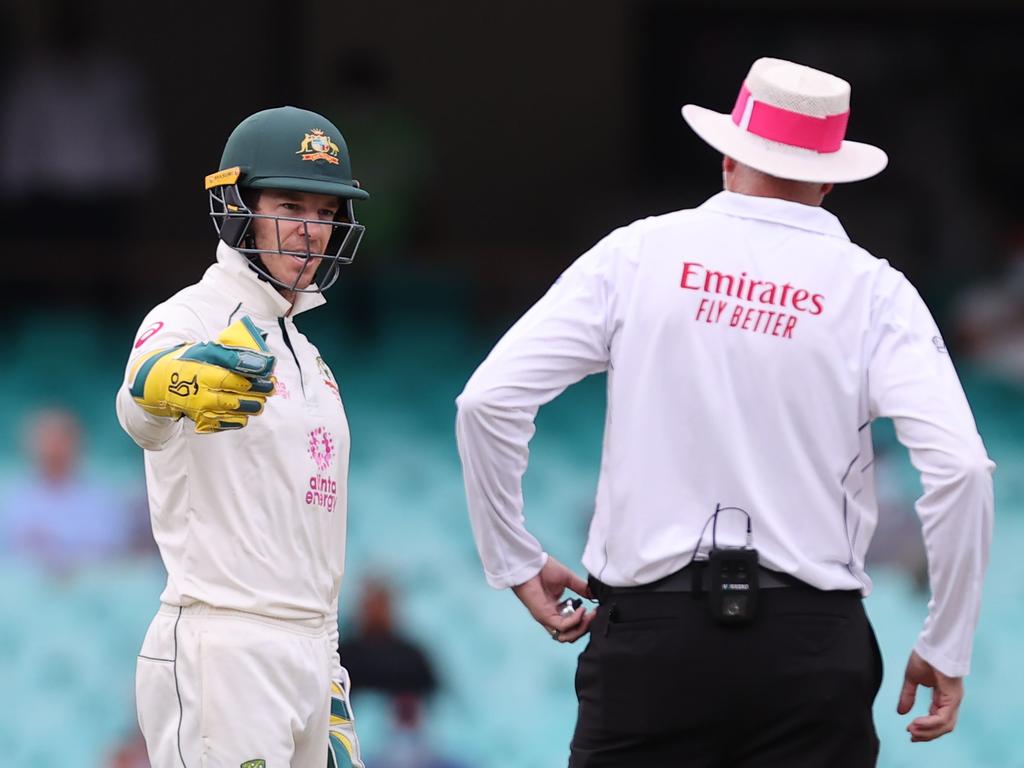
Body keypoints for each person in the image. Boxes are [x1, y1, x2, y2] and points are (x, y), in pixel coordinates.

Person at [455, 57, 994, 767]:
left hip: (651, 638)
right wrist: (944, 642)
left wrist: (513, 558)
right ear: (831, 177)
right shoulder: (875, 293)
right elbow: (961, 470)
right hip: (811, 644)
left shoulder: (638, 254)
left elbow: (487, 402)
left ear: (726, 156)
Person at [115, 106, 369, 768]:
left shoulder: (311, 359)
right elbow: (138, 403)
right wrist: (173, 382)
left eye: (325, 212)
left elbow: (314, 540)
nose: (311, 231)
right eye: (290, 204)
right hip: (223, 651)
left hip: (312, 652)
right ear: (237, 207)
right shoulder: (193, 316)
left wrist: (329, 672)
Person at [0, 407, 135, 574]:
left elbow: (112, 551)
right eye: (47, 442)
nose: (54, 449)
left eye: (61, 441)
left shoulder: (102, 499)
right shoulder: (12, 499)